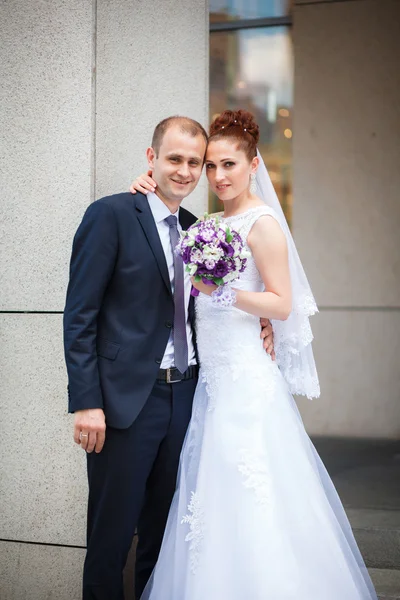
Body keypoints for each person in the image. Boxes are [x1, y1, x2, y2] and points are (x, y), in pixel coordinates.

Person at [131, 109, 378, 600]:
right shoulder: (209, 223)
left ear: (253, 164)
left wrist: (225, 292)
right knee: (210, 500)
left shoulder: (262, 223)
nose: (219, 176)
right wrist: (147, 184)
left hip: (246, 383)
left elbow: (282, 303)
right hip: (211, 382)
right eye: (211, 167)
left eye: (229, 165)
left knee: (252, 492)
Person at [63, 115, 274, 600]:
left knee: (163, 538)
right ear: (151, 158)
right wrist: (87, 401)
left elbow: (214, 300)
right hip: (123, 404)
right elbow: (80, 316)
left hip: (187, 398)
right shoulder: (111, 215)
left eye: (193, 163)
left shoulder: (200, 230)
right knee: (111, 539)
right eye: (173, 158)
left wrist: (263, 320)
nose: (184, 170)